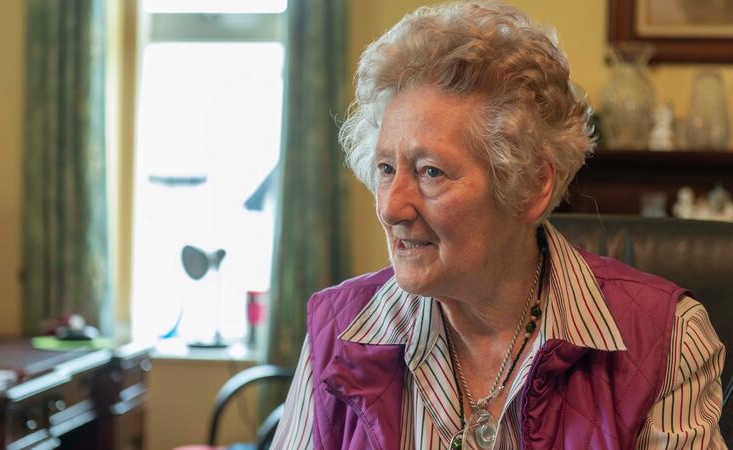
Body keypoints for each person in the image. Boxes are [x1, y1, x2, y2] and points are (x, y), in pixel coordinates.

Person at [271, 1, 726, 449]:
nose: (391, 208)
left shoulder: (668, 340)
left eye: (431, 172)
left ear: (530, 186)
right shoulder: (336, 332)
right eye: (386, 168)